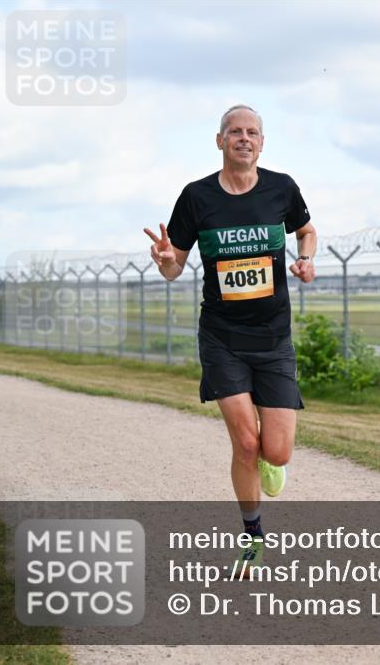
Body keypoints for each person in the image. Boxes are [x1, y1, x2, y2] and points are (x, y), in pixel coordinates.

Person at [144, 104, 316, 571]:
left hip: (273, 338)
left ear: (262, 143)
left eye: (252, 132)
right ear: (220, 141)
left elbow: (307, 231)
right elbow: (175, 267)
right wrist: (166, 262)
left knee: (275, 450)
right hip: (222, 338)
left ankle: (271, 460)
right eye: (235, 131)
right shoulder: (196, 197)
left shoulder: (281, 188)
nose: (244, 138)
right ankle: (253, 536)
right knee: (245, 444)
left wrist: (305, 259)